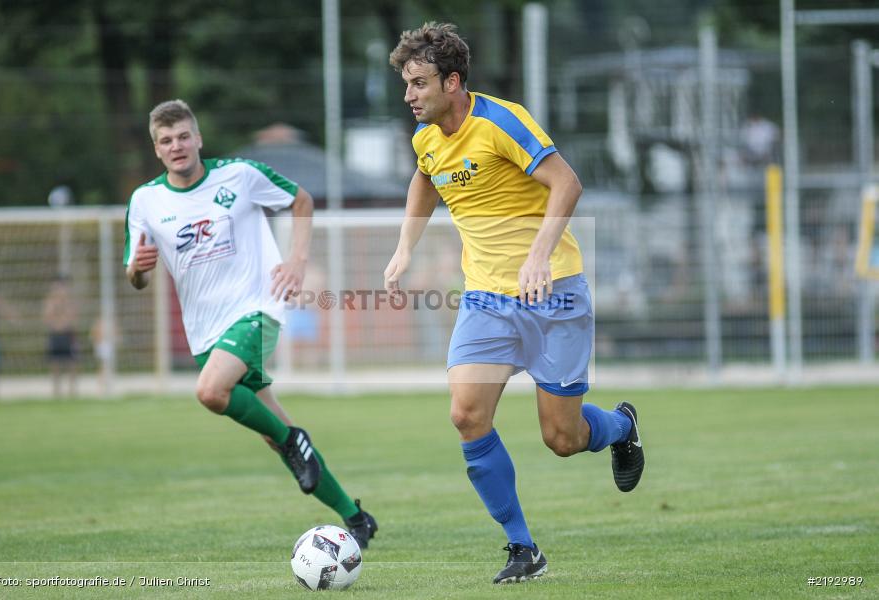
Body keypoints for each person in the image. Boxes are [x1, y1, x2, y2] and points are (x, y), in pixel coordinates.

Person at [385, 23, 645, 584]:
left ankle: (620, 429)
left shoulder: (500, 120)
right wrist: (405, 246)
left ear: (452, 82)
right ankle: (522, 548)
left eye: (419, 83)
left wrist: (538, 257)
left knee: (562, 438)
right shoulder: (426, 138)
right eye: (406, 84)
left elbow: (567, 183)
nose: (409, 95)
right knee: (466, 414)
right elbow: (425, 182)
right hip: (486, 300)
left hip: (554, 292)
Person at [124, 99, 377, 548]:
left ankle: (292, 440)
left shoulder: (239, 175)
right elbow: (137, 277)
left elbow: (302, 200)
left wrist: (297, 259)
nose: (177, 146)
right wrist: (138, 269)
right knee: (273, 434)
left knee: (210, 391)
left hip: (258, 308)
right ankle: (355, 516)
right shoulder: (146, 201)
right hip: (205, 330)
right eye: (166, 141)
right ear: (156, 149)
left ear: (198, 138)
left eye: (184, 136)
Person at [42, 275, 80, 398]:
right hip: (55, 336)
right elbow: (47, 318)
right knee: (55, 364)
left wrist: (63, 324)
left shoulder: (70, 302)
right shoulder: (50, 302)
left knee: (72, 364)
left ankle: (72, 392)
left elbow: (73, 318)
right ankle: (56, 393)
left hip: (68, 335)